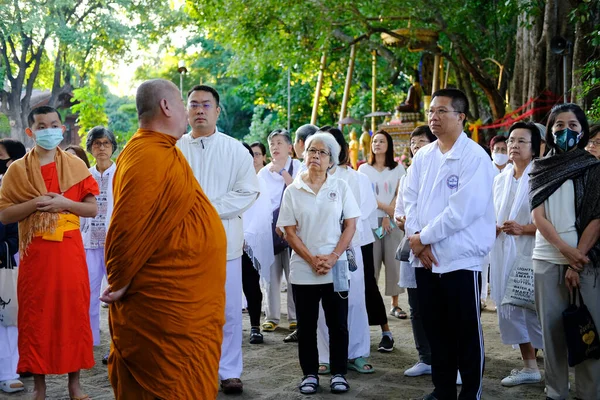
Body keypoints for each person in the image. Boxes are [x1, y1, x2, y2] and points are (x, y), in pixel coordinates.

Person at [101, 79, 227, 400]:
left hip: (186, 302)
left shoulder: (163, 151)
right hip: (164, 305)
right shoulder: (146, 154)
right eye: (183, 104)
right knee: (168, 383)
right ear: (166, 107)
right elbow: (126, 226)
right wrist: (120, 279)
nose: (188, 112)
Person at [0, 106, 99, 400]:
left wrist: (63, 204)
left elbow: (92, 209)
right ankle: (39, 387)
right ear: (31, 132)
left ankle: (74, 384)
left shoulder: (76, 166)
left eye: (54, 124)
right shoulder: (17, 170)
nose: (49, 129)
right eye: (42, 126)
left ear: (62, 128)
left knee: (73, 314)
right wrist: (37, 204)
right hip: (35, 252)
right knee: (36, 316)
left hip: (69, 251)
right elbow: (5, 215)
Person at [404, 88, 496, 400]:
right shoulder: (424, 157)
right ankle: (442, 390)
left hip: (459, 260)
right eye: (431, 111)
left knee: (465, 333)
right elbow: (409, 200)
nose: (433, 117)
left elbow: (462, 211)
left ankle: (471, 392)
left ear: (461, 117)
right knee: (436, 332)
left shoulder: (475, 158)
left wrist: (422, 238)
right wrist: (416, 242)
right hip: (425, 259)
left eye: (442, 111)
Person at [177, 84, 259, 394]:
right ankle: (189, 367)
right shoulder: (174, 149)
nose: (200, 110)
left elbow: (248, 191)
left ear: (217, 111)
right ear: (186, 111)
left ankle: (229, 371)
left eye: (206, 105)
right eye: (194, 104)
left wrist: (205, 208)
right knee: (186, 309)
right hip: (182, 245)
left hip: (225, 243)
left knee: (226, 311)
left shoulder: (235, 149)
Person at [277, 132, 360, 395]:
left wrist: (333, 256)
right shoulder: (293, 190)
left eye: (322, 152)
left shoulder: (341, 187)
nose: (315, 155)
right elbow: (288, 231)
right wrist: (312, 259)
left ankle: (338, 373)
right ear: (304, 154)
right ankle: (310, 374)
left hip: (335, 268)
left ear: (331, 160)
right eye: (312, 150)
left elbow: (351, 225)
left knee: (338, 325)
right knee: (307, 325)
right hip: (303, 269)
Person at [530, 103, 600, 400]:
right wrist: (564, 251)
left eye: (573, 125)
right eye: (559, 125)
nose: (565, 131)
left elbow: (597, 218)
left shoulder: (593, 167)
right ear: (550, 129)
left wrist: (576, 262)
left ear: (582, 131)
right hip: (546, 258)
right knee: (552, 332)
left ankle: (590, 392)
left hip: (586, 261)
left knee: (591, 328)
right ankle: (556, 391)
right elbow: (538, 217)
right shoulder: (539, 168)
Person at [316, 127, 374, 374]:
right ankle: (325, 355)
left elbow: (366, 211)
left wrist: (344, 228)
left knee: (355, 301)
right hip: (320, 250)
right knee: (322, 304)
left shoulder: (357, 178)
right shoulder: (310, 177)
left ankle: (357, 353)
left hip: (349, 249)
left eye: (328, 148)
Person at [489, 122, 543, 387]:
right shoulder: (500, 180)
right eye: (511, 140)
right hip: (504, 253)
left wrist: (524, 229)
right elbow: (491, 213)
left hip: (533, 251)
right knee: (510, 308)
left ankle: (556, 369)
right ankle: (529, 366)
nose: (513, 145)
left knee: (536, 311)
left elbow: (553, 221)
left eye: (522, 141)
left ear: (535, 148)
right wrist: (495, 227)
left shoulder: (541, 177)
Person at [394, 125, 437, 377]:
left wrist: (424, 237)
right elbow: (400, 211)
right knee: (417, 306)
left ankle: (444, 358)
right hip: (412, 247)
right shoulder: (406, 176)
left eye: (421, 141)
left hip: (435, 248)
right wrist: (403, 221)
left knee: (438, 306)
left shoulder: (439, 172)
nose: (416, 146)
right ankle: (425, 357)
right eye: (413, 142)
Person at [358, 130, 407, 320]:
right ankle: (369, 303)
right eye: (375, 141)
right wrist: (386, 210)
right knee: (372, 262)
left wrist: (389, 214)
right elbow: (366, 196)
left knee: (393, 263)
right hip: (371, 221)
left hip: (393, 223)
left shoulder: (398, 169)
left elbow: (399, 193)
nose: (377, 144)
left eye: (381, 141)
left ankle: (395, 304)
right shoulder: (363, 170)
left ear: (389, 145)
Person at [258, 129, 301, 333]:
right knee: (271, 276)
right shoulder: (263, 173)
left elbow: (299, 193)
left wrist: (283, 173)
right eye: (272, 143)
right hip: (270, 230)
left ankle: (294, 317)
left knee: (294, 274)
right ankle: (272, 316)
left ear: (290, 147)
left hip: (294, 230)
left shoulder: (299, 167)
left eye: (279, 143)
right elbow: (259, 201)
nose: (275, 147)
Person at [81, 126, 117, 359]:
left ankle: (118, 342)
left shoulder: (123, 171)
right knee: (89, 292)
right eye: (97, 144)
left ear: (113, 146)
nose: (101, 148)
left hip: (115, 242)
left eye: (105, 143)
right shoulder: (83, 174)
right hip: (88, 241)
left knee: (116, 293)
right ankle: (90, 340)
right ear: (90, 148)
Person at [0, 138, 26, 394]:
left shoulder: (11, 192)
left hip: (3, 266)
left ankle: (8, 372)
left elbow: (13, 237)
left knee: (6, 319)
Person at [241, 142, 274, 344]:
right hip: (227, 241)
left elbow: (263, 213)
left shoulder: (258, 182)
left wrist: (247, 236)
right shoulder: (225, 180)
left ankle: (255, 326)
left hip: (248, 243)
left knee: (251, 285)